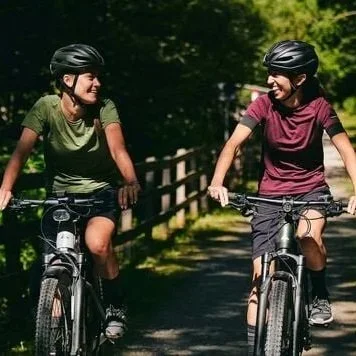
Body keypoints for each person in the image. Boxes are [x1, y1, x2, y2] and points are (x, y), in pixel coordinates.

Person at [207, 40, 356, 354]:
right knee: (259, 277)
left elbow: (345, 150)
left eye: (278, 74)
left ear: (299, 79)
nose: (269, 80)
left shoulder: (320, 107)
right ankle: (255, 348)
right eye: (269, 73)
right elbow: (234, 143)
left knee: (308, 237)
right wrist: (218, 181)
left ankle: (318, 293)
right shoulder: (262, 105)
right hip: (269, 196)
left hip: (310, 191)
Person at [0, 43, 141, 339]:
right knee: (53, 264)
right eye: (90, 76)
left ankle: (115, 307)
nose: (98, 83)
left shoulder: (105, 107)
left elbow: (118, 149)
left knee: (97, 243)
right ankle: (54, 335)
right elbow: (21, 152)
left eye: (98, 76)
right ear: (68, 80)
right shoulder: (45, 107)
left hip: (100, 194)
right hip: (59, 197)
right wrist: (6, 188)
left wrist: (130, 181)